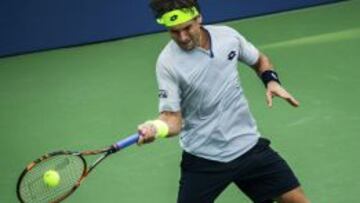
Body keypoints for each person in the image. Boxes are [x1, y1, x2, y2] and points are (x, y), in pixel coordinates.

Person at [137, 0, 310, 202]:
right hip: (205, 157)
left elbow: (259, 60)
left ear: (198, 18)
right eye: (174, 32)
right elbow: (172, 119)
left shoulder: (227, 36)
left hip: (247, 145)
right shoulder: (167, 63)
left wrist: (271, 80)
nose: (182, 37)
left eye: (187, 28)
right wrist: (155, 128)